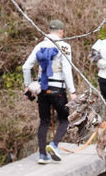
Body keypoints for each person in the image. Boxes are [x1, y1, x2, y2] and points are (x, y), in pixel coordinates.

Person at [22, 19, 77, 164]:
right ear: (61, 31)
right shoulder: (64, 46)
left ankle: (42, 155)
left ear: (48, 31)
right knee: (65, 119)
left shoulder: (40, 45)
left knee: (44, 121)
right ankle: (54, 145)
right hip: (58, 89)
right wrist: (72, 91)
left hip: (42, 89)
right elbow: (66, 70)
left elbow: (26, 67)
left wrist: (29, 86)